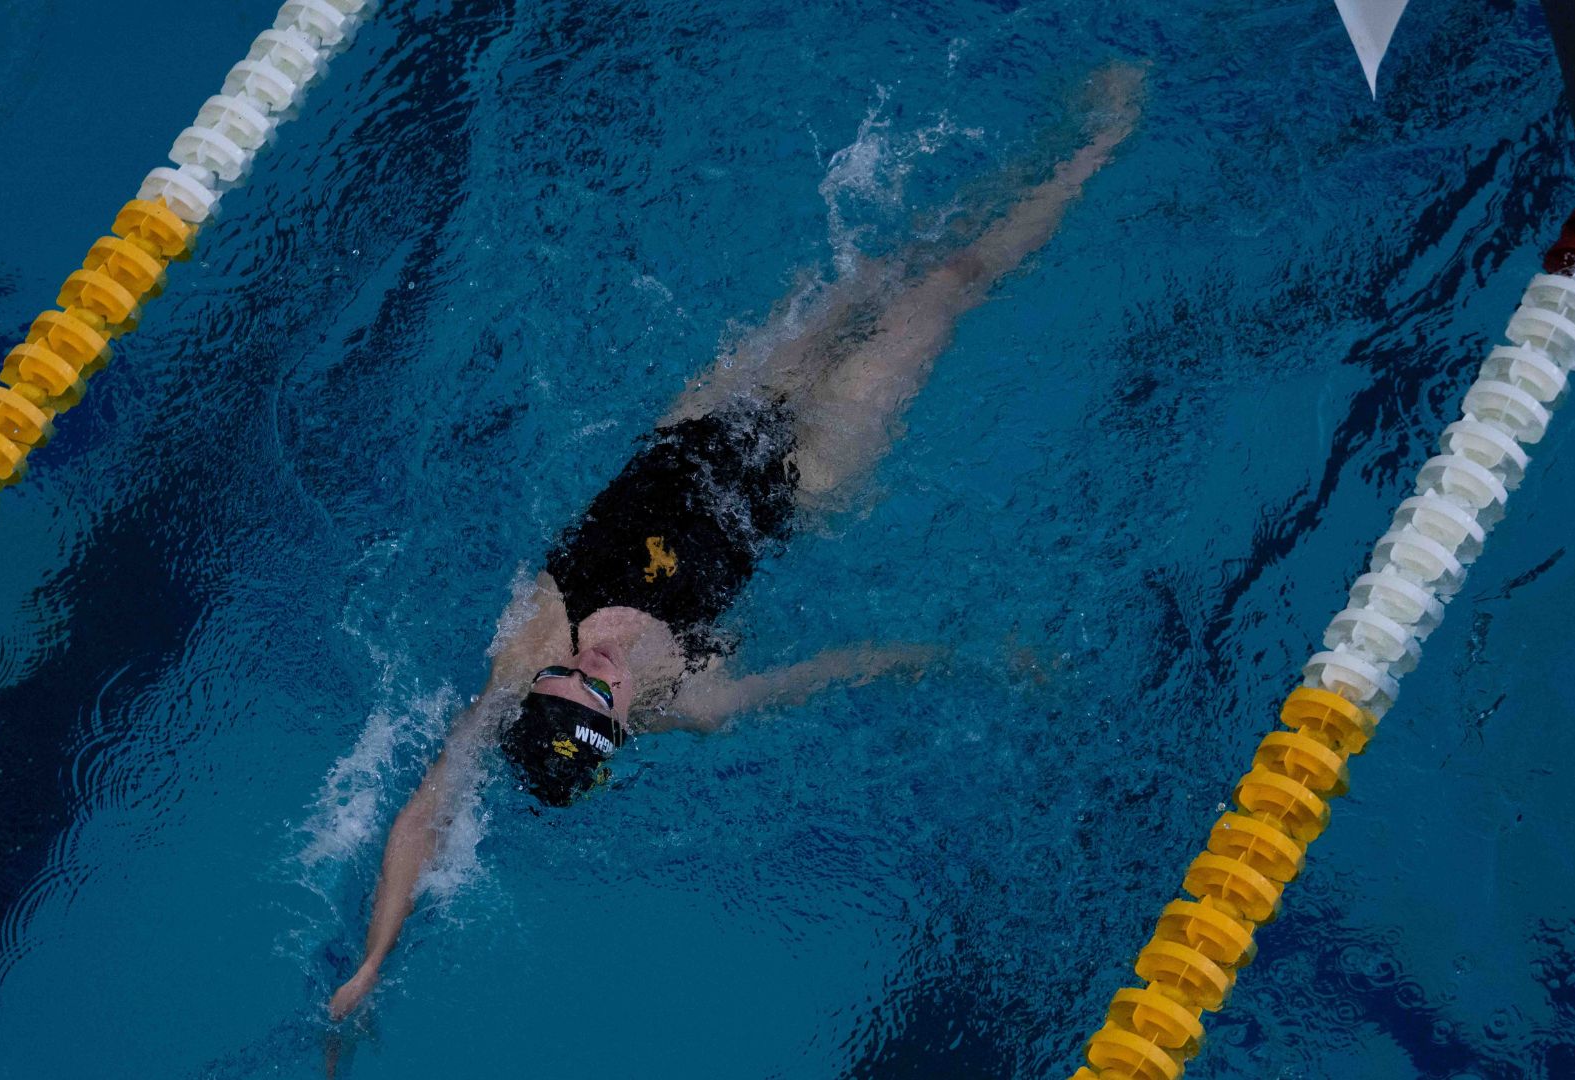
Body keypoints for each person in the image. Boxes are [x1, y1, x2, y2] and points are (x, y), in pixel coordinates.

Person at [328, 61, 1144, 1020]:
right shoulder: (700, 697)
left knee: (865, 277)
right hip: (806, 474)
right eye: (601, 685)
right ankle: (1094, 148)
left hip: (699, 430)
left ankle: (1020, 146)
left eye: (569, 671)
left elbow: (427, 811)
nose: (592, 658)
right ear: (624, 725)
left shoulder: (531, 648)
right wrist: (973, 657)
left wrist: (372, 961)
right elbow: (851, 664)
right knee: (945, 290)